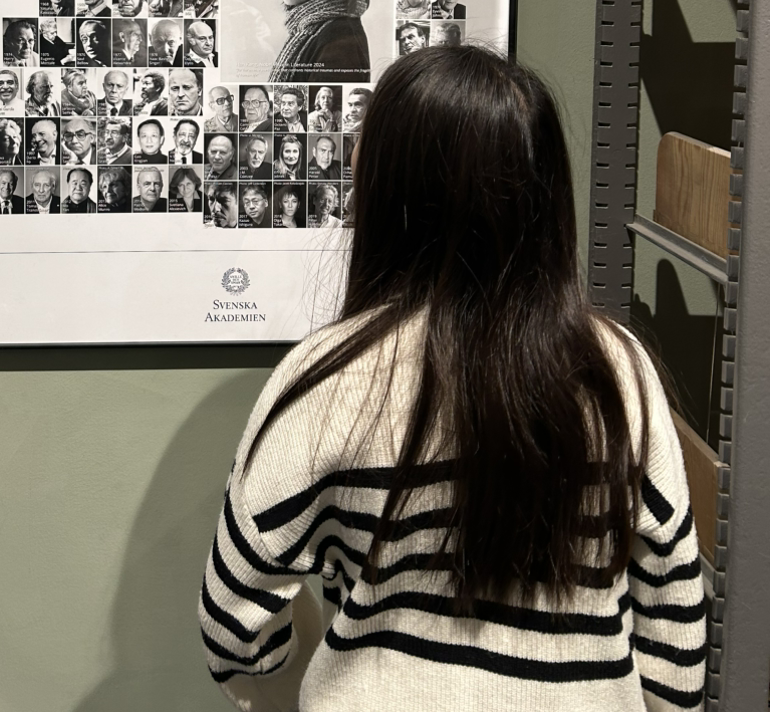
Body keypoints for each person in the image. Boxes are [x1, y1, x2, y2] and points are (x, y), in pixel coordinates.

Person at [203, 43, 706, 705]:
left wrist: (297, 680)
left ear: (388, 187)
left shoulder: (328, 375)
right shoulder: (617, 368)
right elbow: (673, 615)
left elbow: (232, 621)